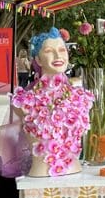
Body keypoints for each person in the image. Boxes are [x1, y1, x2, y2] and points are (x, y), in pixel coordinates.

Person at [10, 28, 93, 177]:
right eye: (49, 51)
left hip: (75, 174)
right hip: (40, 178)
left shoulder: (82, 98)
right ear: (38, 60)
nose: (57, 55)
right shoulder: (23, 101)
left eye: (62, 50)